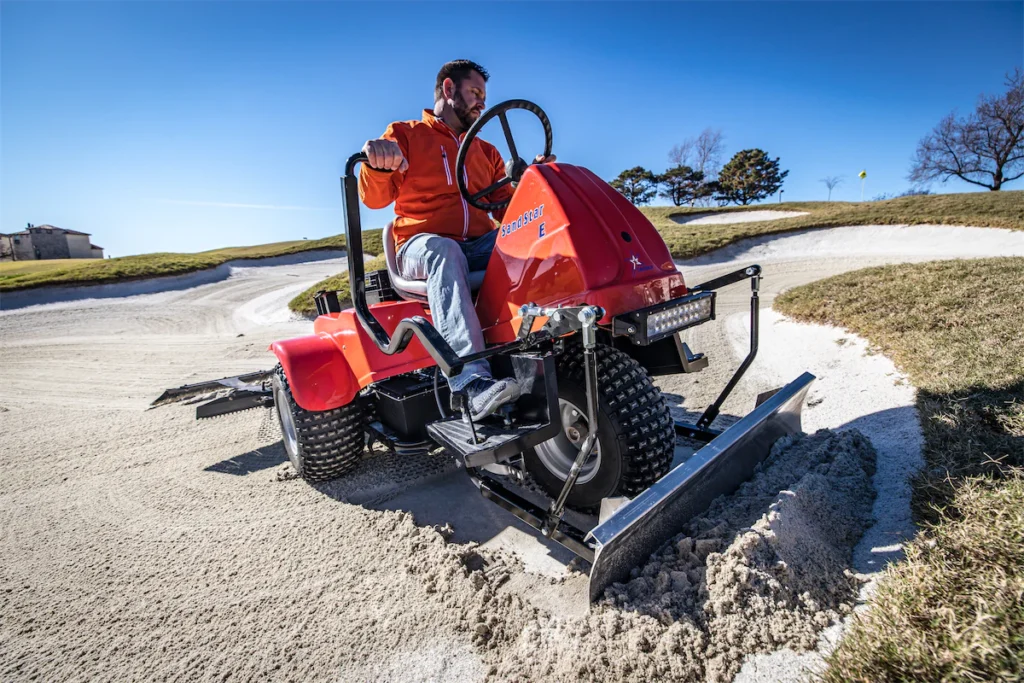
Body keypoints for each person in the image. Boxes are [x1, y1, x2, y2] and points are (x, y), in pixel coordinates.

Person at [359, 59, 554, 421]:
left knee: (534, 236)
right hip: (421, 246)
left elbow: (506, 213)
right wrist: (376, 161)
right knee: (445, 251)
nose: (482, 103)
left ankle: (561, 338)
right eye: (475, 93)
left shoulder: (487, 152)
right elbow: (373, 198)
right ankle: (470, 384)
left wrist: (532, 183)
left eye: (484, 96)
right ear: (448, 90)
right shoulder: (405, 134)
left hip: (476, 245)